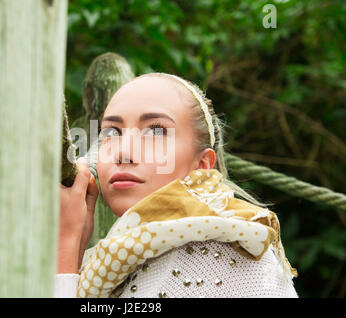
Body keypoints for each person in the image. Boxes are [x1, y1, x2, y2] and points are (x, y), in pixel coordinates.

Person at [56, 73, 298, 298]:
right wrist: (74, 250)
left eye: (156, 131)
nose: (123, 153)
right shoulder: (117, 261)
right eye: (111, 132)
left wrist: (65, 245)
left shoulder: (217, 257)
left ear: (202, 165)